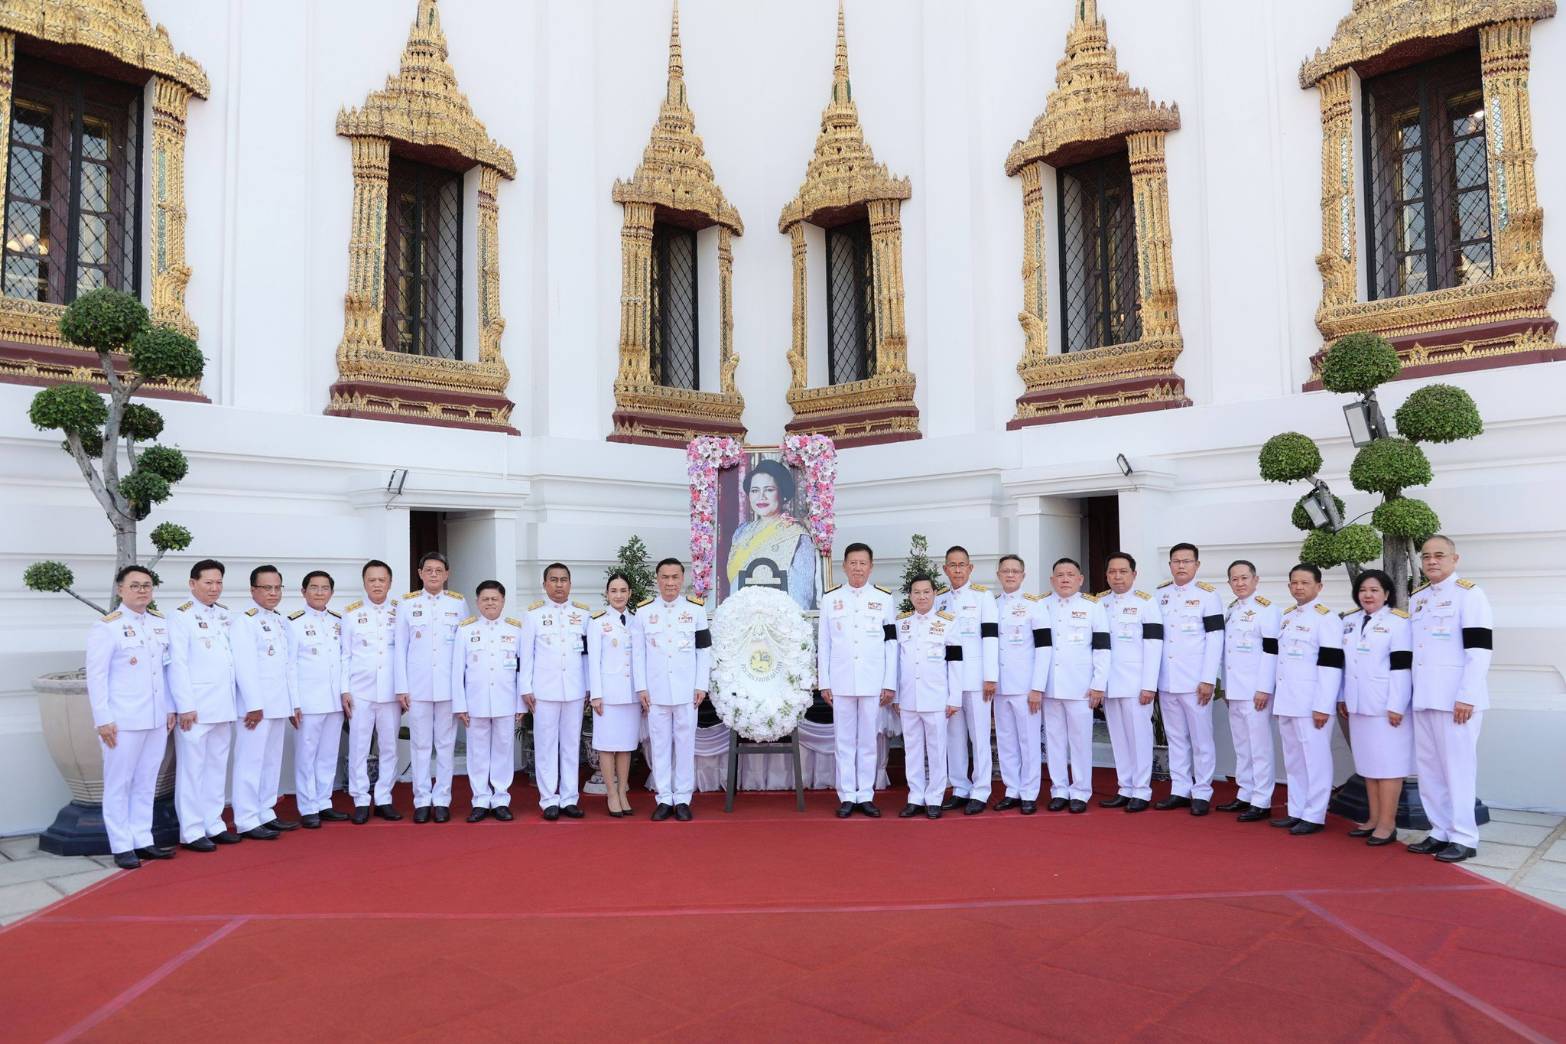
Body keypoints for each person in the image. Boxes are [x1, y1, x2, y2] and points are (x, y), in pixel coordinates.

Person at [1405, 535, 1493, 863]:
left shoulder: (1470, 595)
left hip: (1457, 701)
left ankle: (1464, 836)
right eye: (1426, 556)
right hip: (1426, 698)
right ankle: (1439, 830)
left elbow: (1479, 650)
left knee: (1458, 770)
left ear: (1455, 559)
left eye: (1439, 555)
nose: (1431, 561)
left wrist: (1467, 696)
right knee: (1429, 771)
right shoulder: (1419, 598)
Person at [87, 565, 175, 869]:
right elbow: (96, 678)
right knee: (118, 783)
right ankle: (122, 844)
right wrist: (103, 719)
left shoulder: (159, 624)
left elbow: (165, 671)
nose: (142, 590)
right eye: (135, 585)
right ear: (120, 590)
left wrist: (170, 708)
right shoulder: (107, 627)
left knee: (147, 781)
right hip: (122, 721)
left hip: (155, 718)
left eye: (147, 585)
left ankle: (143, 838)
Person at [817, 542, 897, 818]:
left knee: (868, 739)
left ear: (871, 567)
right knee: (843, 740)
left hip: (872, 680)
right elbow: (824, 644)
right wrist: (824, 682)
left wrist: (889, 682)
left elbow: (891, 644)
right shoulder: (831, 599)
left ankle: (866, 794)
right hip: (840, 681)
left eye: (863, 563)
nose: (858, 568)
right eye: (853, 562)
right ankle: (847, 795)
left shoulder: (885, 599)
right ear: (844, 566)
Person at [168, 559, 242, 852]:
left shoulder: (224, 615)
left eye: (218, 582)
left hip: (223, 705)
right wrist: (185, 705)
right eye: (208, 582)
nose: (214, 588)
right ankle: (192, 829)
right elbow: (178, 664)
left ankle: (214, 822)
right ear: (192, 584)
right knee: (192, 769)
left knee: (216, 766)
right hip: (196, 708)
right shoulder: (180, 616)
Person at [1337, 568, 1413, 846]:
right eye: (1362, 591)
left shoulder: (1398, 622)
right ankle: (1373, 818)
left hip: (1386, 705)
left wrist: (1397, 704)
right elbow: (1347, 666)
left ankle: (1387, 823)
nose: (1367, 595)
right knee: (1368, 765)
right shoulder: (1349, 621)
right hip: (1358, 704)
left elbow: (1402, 666)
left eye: (1374, 590)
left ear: (1387, 594)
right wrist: (1343, 696)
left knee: (1389, 766)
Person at [633, 558, 710, 822]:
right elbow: (638, 654)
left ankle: (684, 798)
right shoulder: (643, 612)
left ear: (682, 579)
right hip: (655, 692)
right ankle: (664, 797)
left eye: (675, 577)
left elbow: (704, 651)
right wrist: (641, 687)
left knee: (686, 745)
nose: (670, 583)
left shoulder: (696, 610)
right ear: (657, 579)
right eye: (664, 577)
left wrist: (701, 684)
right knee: (660, 745)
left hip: (687, 691)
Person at [395, 551, 468, 824]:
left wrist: (462, 689)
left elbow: (464, 649)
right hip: (418, 687)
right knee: (421, 744)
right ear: (420, 573)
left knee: (446, 745)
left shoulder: (459, 604)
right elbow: (400, 648)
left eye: (439, 570)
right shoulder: (407, 603)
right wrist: (402, 687)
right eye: (429, 570)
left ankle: (443, 800)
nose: (434, 574)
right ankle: (422, 799)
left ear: (447, 574)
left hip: (449, 687)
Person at [1270, 563, 1343, 836]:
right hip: (1288, 700)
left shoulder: (1327, 619)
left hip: (1312, 704)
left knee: (1316, 760)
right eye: (1294, 583)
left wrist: (1323, 705)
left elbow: (1331, 666)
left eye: (1305, 583)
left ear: (1319, 586)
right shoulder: (1287, 617)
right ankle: (1296, 810)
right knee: (1294, 760)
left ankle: (1314, 814)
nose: (1298, 587)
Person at [230, 565, 301, 839]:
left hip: (278, 704)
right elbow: (244, 667)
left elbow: (288, 667)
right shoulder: (244, 622)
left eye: (277, 587)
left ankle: (265, 811)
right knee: (251, 761)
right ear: (253, 591)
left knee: (271, 762)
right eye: (267, 588)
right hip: (256, 708)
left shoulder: (281, 621)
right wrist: (253, 704)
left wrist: (293, 703)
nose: (273, 593)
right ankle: (247, 818)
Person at [1155, 542, 1224, 816]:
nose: (1181, 566)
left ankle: (1203, 791)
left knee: (1201, 739)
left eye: (1186, 561)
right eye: (1176, 561)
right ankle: (1180, 789)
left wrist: (1208, 678)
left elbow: (1215, 638)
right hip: (1167, 680)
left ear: (1197, 565)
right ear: (1170, 565)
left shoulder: (1208, 596)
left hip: (1195, 681)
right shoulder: (1160, 595)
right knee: (1175, 738)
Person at [520, 563, 591, 820]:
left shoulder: (583, 615)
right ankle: (549, 799)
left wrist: (589, 687)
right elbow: (526, 656)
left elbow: (586, 656)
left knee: (571, 746)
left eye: (563, 580)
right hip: (544, 691)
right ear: (545, 585)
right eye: (553, 580)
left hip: (574, 689)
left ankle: (570, 798)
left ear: (570, 584)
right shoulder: (533, 615)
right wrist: (525, 687)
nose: (559, 584)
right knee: (546, 745)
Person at [1041, 558, 1109, 813]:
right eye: (1060, 575)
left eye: (1070, 574)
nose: (1065, 579)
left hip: (1081, 687)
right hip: (1050, 686)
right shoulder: (1041, 605)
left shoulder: (1093, 607)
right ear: (1052, 580)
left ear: (1080, 579)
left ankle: (1080, 790)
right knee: (1054, 740)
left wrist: (1099, 684)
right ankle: (1059, 789)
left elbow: (1102, 648)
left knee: (1080, 741)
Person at [452, 581, 523, 822]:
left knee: (503, 750)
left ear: (503, 601)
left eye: (495, 598)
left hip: (506, 700)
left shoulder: (515, 630)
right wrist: (460, 705)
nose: (490, 602)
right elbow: (457, 671)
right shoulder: (465, 630)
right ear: (477, 602)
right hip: (476, 702)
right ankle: (480, 799)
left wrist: (521, 704)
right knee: (478, 753)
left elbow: (522, 670)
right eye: (485, 599)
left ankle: (501, 798)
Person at [935, 546, 998, 815]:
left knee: (979, 735)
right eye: (953, 565)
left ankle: (981, 790)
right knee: (954, 736)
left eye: (962, 565)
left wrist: (990, 677)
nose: (958, 569)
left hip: (976, 677)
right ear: (945, 569)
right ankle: (960, 786)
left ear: (970, 568)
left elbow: (991, 638)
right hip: (949, 680)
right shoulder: (938, 600)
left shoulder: (983, 597)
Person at [893, 575, 963, 819]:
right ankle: (915, 797)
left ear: (934, 594)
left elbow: (955, 663)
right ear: (910, 596)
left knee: (936, 749)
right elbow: (896, 664)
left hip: (936, 698)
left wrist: (955, 697)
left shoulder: (947, 623)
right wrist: (895, 696)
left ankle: (934, 798)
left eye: (926, 592)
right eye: (916, 592)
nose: (921, 596)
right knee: (912, 750)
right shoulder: (902, 624)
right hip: (909, 698)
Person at [1098, 552, 1162, 813]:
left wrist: (1149, 684)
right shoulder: (1099, 603)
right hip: (1110, 683)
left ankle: (1142, 790)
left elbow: (1154, 646)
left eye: (1123, 571)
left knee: (1140, 737)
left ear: (1134, 575)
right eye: (1112, 571)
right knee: (1118, 737)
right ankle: (1125, 787)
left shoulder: (1146, 603)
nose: (1117, 576)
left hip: (1136, 684)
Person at [341, 560, 402, 824]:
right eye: (371, 580)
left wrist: (405, 689)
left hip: (391, 691)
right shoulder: (351, 613)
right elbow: (345, 655)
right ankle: (361, 799)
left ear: (390, 582)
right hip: (361, 691)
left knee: (389, 747)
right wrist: (344, 689)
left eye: (382, 580)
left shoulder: (402, 612)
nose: (377, 585)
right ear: (364, 583)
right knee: (359, 746)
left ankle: (385, 797)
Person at [286, 571, 347, 829]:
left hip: (334, 701)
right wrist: (294, 702)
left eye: (325, 588)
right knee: (306, 755)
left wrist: (345, 693)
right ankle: (308, 806)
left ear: (331, 593)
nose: (320, 592)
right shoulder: (293, 622)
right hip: (308, 702)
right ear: (303, 591)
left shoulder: (339, 621)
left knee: (328, 754)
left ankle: (324, 802)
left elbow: (345, 660)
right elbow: (289, 666)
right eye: (314, 588)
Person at [1222, 560, 1281, 822]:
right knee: (1242, 745)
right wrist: (1225, 685)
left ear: (1256, 580)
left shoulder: (1267, 610)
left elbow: (1271, 652)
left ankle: (1262, 799)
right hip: (1235, 689)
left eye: (1245, 578)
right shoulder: (1232, 609)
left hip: (1256, 690)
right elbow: (1229, 653)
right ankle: (1245, 792)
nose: (1240, 583)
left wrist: (1264, 688)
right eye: (1235, 579)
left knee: (1259, 747)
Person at [991, 555, 1049, 814]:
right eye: (1006, 571)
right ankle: (1011, 789)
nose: (1010, 575)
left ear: (1023, 576)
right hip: (1000, 686)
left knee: (1028, 740)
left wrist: (1037, 687)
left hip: (1026, 687)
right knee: (1005, 741)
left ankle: (1029, 792)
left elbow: (1044, 648)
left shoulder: (1034, 606)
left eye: (1015, 571)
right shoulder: (992, 605)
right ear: (998, 574)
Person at [726, 458, 817, 610]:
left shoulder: (797, 535)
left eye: (769, 490)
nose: (761, 497)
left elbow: (801, 598)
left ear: (782, 493)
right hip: (739, 619)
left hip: (778, 623)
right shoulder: (741, 532)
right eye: (755, 490)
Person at [588, 573, 641, 817]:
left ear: (629, 593)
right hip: (607, 695)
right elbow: (593, 662)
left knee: (625, 746)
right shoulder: (598, 622)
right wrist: (596, 695)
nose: (618, 595)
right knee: (607, 746)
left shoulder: (637, 620)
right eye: (613, 590)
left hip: (631, 694)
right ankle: (611, 793)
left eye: (623, 590)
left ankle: (623, 792)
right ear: (607, 594)